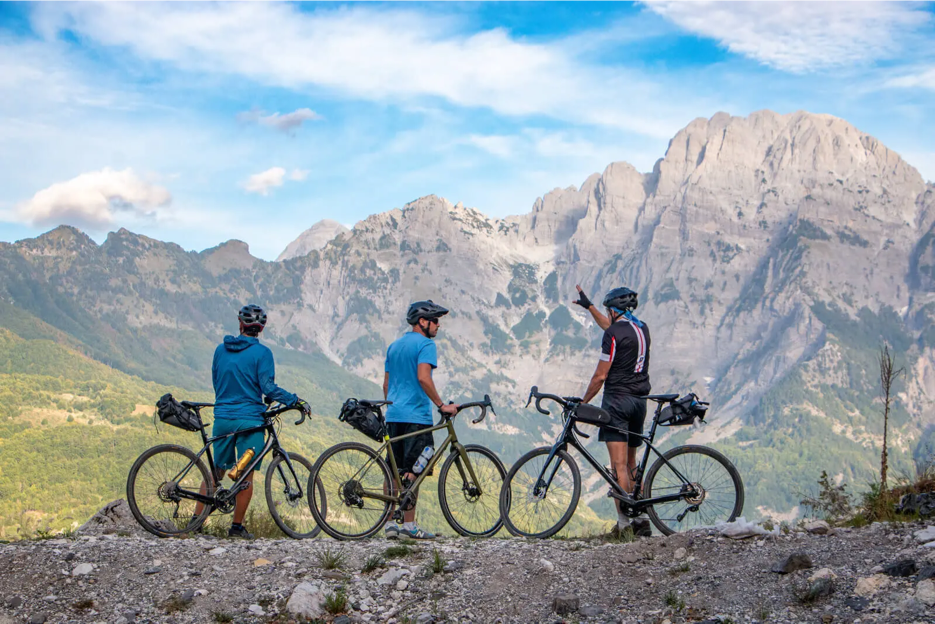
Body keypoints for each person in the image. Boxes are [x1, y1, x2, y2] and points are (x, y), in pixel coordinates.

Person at [203, 303, 309, 538]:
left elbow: (216, 380)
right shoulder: (263, 354)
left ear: (240, 324)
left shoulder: (220, 350)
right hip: (250, 420)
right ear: (261, 328)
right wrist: (295, 401)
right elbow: (268, 389)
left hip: (222, 417)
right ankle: (236, 527)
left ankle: (195, 521)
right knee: (245, 474)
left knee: (216, 472)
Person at [575, 286, 653, 537]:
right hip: (639, 402)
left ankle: (623, 525)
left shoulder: (612, 334)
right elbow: (611, 326)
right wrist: (589, 307)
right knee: (631, 464)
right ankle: (641, 520)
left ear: (613, 310)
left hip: (617, 402)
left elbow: (600, 376)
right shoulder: (642, 328)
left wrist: (583, 401)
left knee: (618, 465)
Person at [382, 300, 458, 539]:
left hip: (393, 414)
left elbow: (386, 384)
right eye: (435, 321)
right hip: (416, 415)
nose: (438, 326)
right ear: (423, 322)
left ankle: (388, 524)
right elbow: (424, 377)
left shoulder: (394, 346)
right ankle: (409, 525)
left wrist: (396, 405)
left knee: (393, 470)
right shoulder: (426, 345)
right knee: (416, 469)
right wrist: (441, 405)